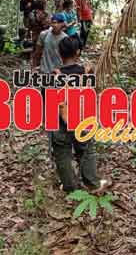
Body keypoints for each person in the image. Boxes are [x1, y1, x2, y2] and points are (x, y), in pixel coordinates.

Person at [51, 36, 109, 193]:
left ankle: (69, 186)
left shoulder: (54, 74)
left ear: (59, 53)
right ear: (77, 52)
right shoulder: (86, 71)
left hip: (60, 123)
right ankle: (92, 184)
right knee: (86, 151)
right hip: (82, 119)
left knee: (62, 154)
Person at [29, 0, 50, 66]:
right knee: (43, 53)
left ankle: (35, 67)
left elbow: (30, 25)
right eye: (45, 4)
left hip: (35, 35)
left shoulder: (31, 14)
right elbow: (47, 25)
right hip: (44, 36)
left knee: (35, 51)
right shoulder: (45, 14)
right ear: (43, 5)